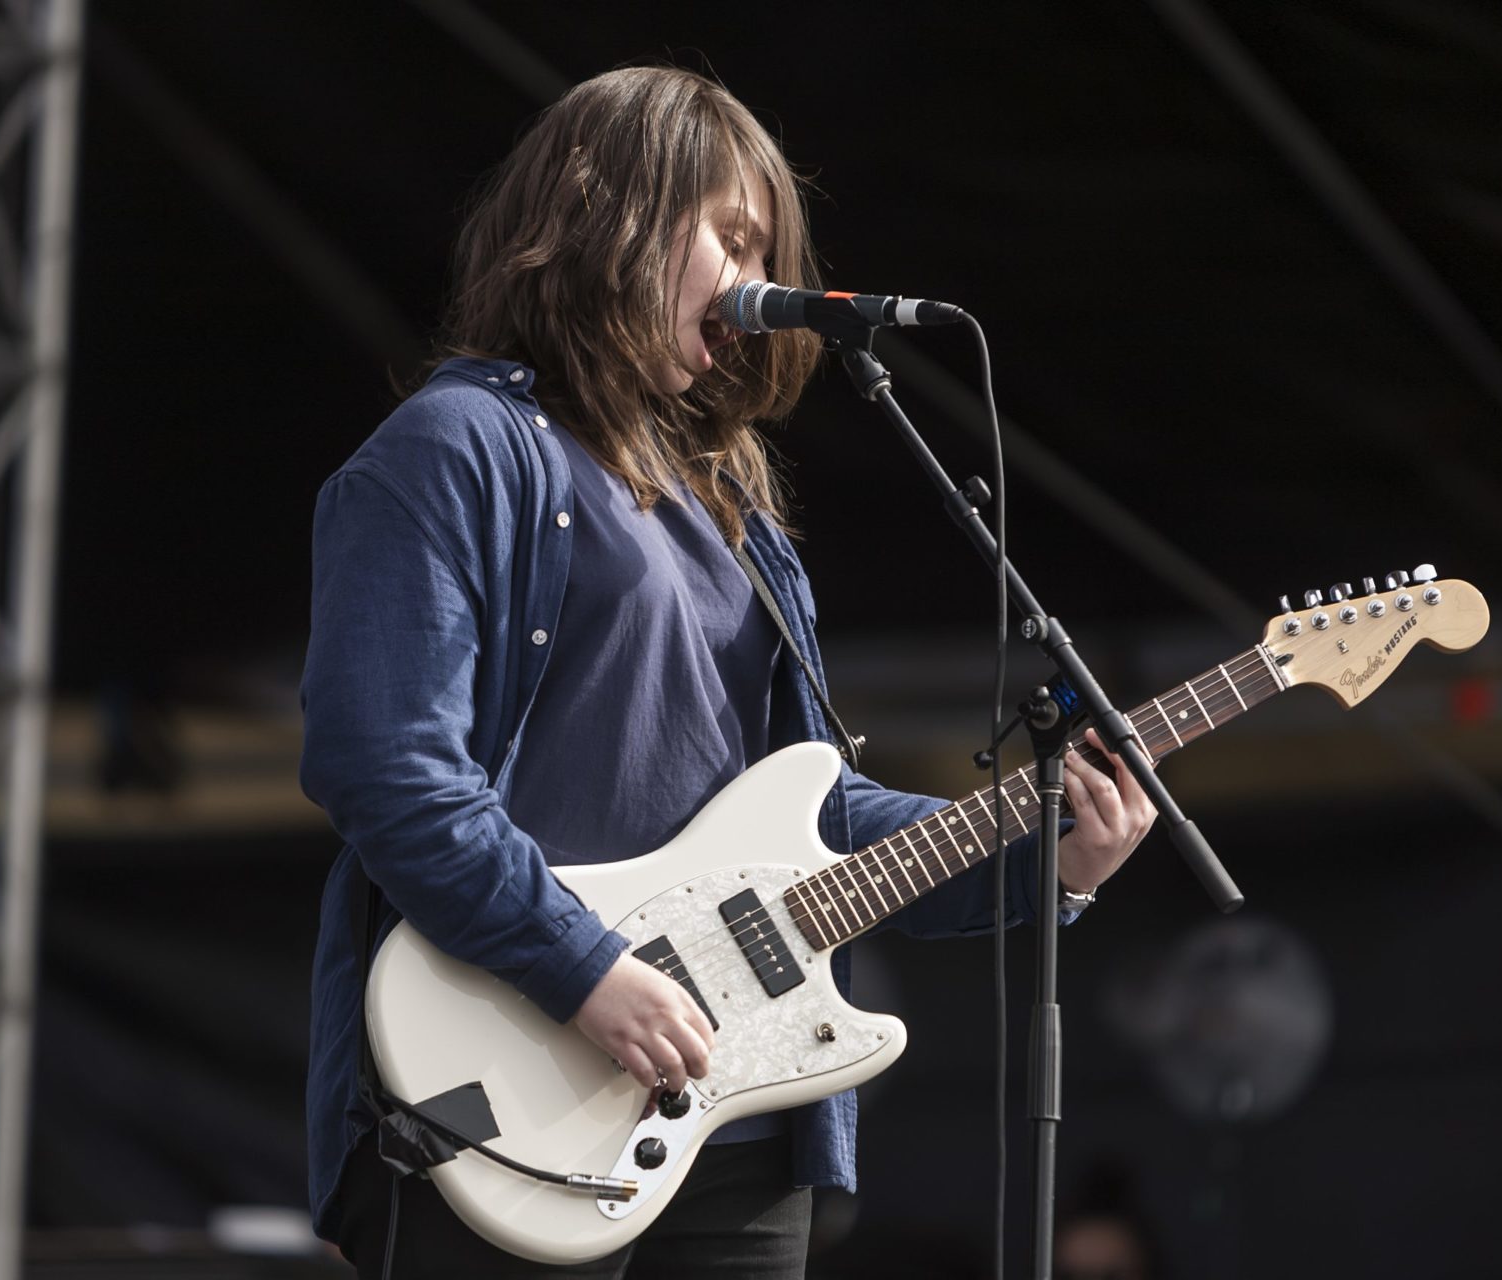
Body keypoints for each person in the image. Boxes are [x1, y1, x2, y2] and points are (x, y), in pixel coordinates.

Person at [299, 65, 1157, 1279]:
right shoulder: (456, 450)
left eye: (764, 243)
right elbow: (387, 768)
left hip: (737, 1118)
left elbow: (811, 817)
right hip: (507, 1086)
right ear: (612, 217)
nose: (759, 277)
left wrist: (1043, 857)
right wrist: (583, 965)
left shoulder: (735, 508)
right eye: (729, 234)